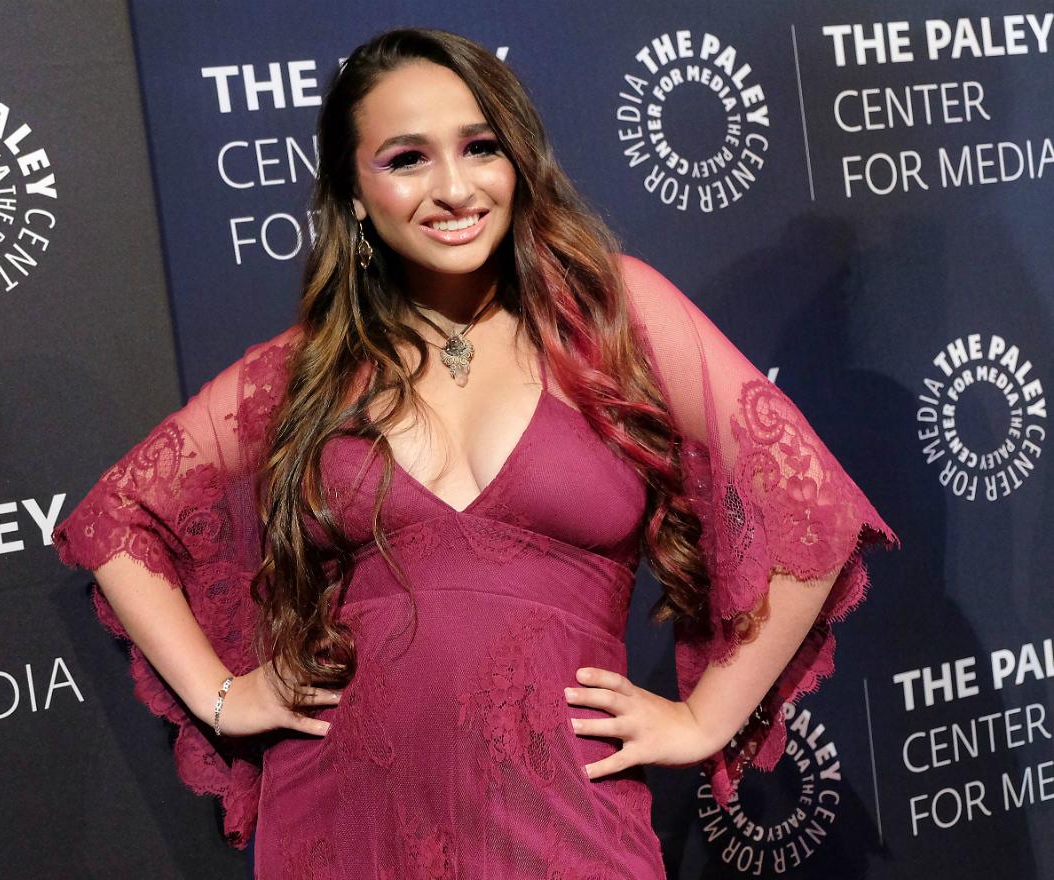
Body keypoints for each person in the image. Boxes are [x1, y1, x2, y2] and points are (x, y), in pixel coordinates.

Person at [52, 27, 899, 879]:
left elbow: (811, 503)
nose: (455, 188)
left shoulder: (612, 314)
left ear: (518, 161)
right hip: (338, 821)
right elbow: (117, 517)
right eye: (407, 159)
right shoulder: (303, 372)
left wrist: (706, 717)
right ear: (353, 192)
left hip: (567, 817)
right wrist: (224, 694)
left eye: (480, 147)